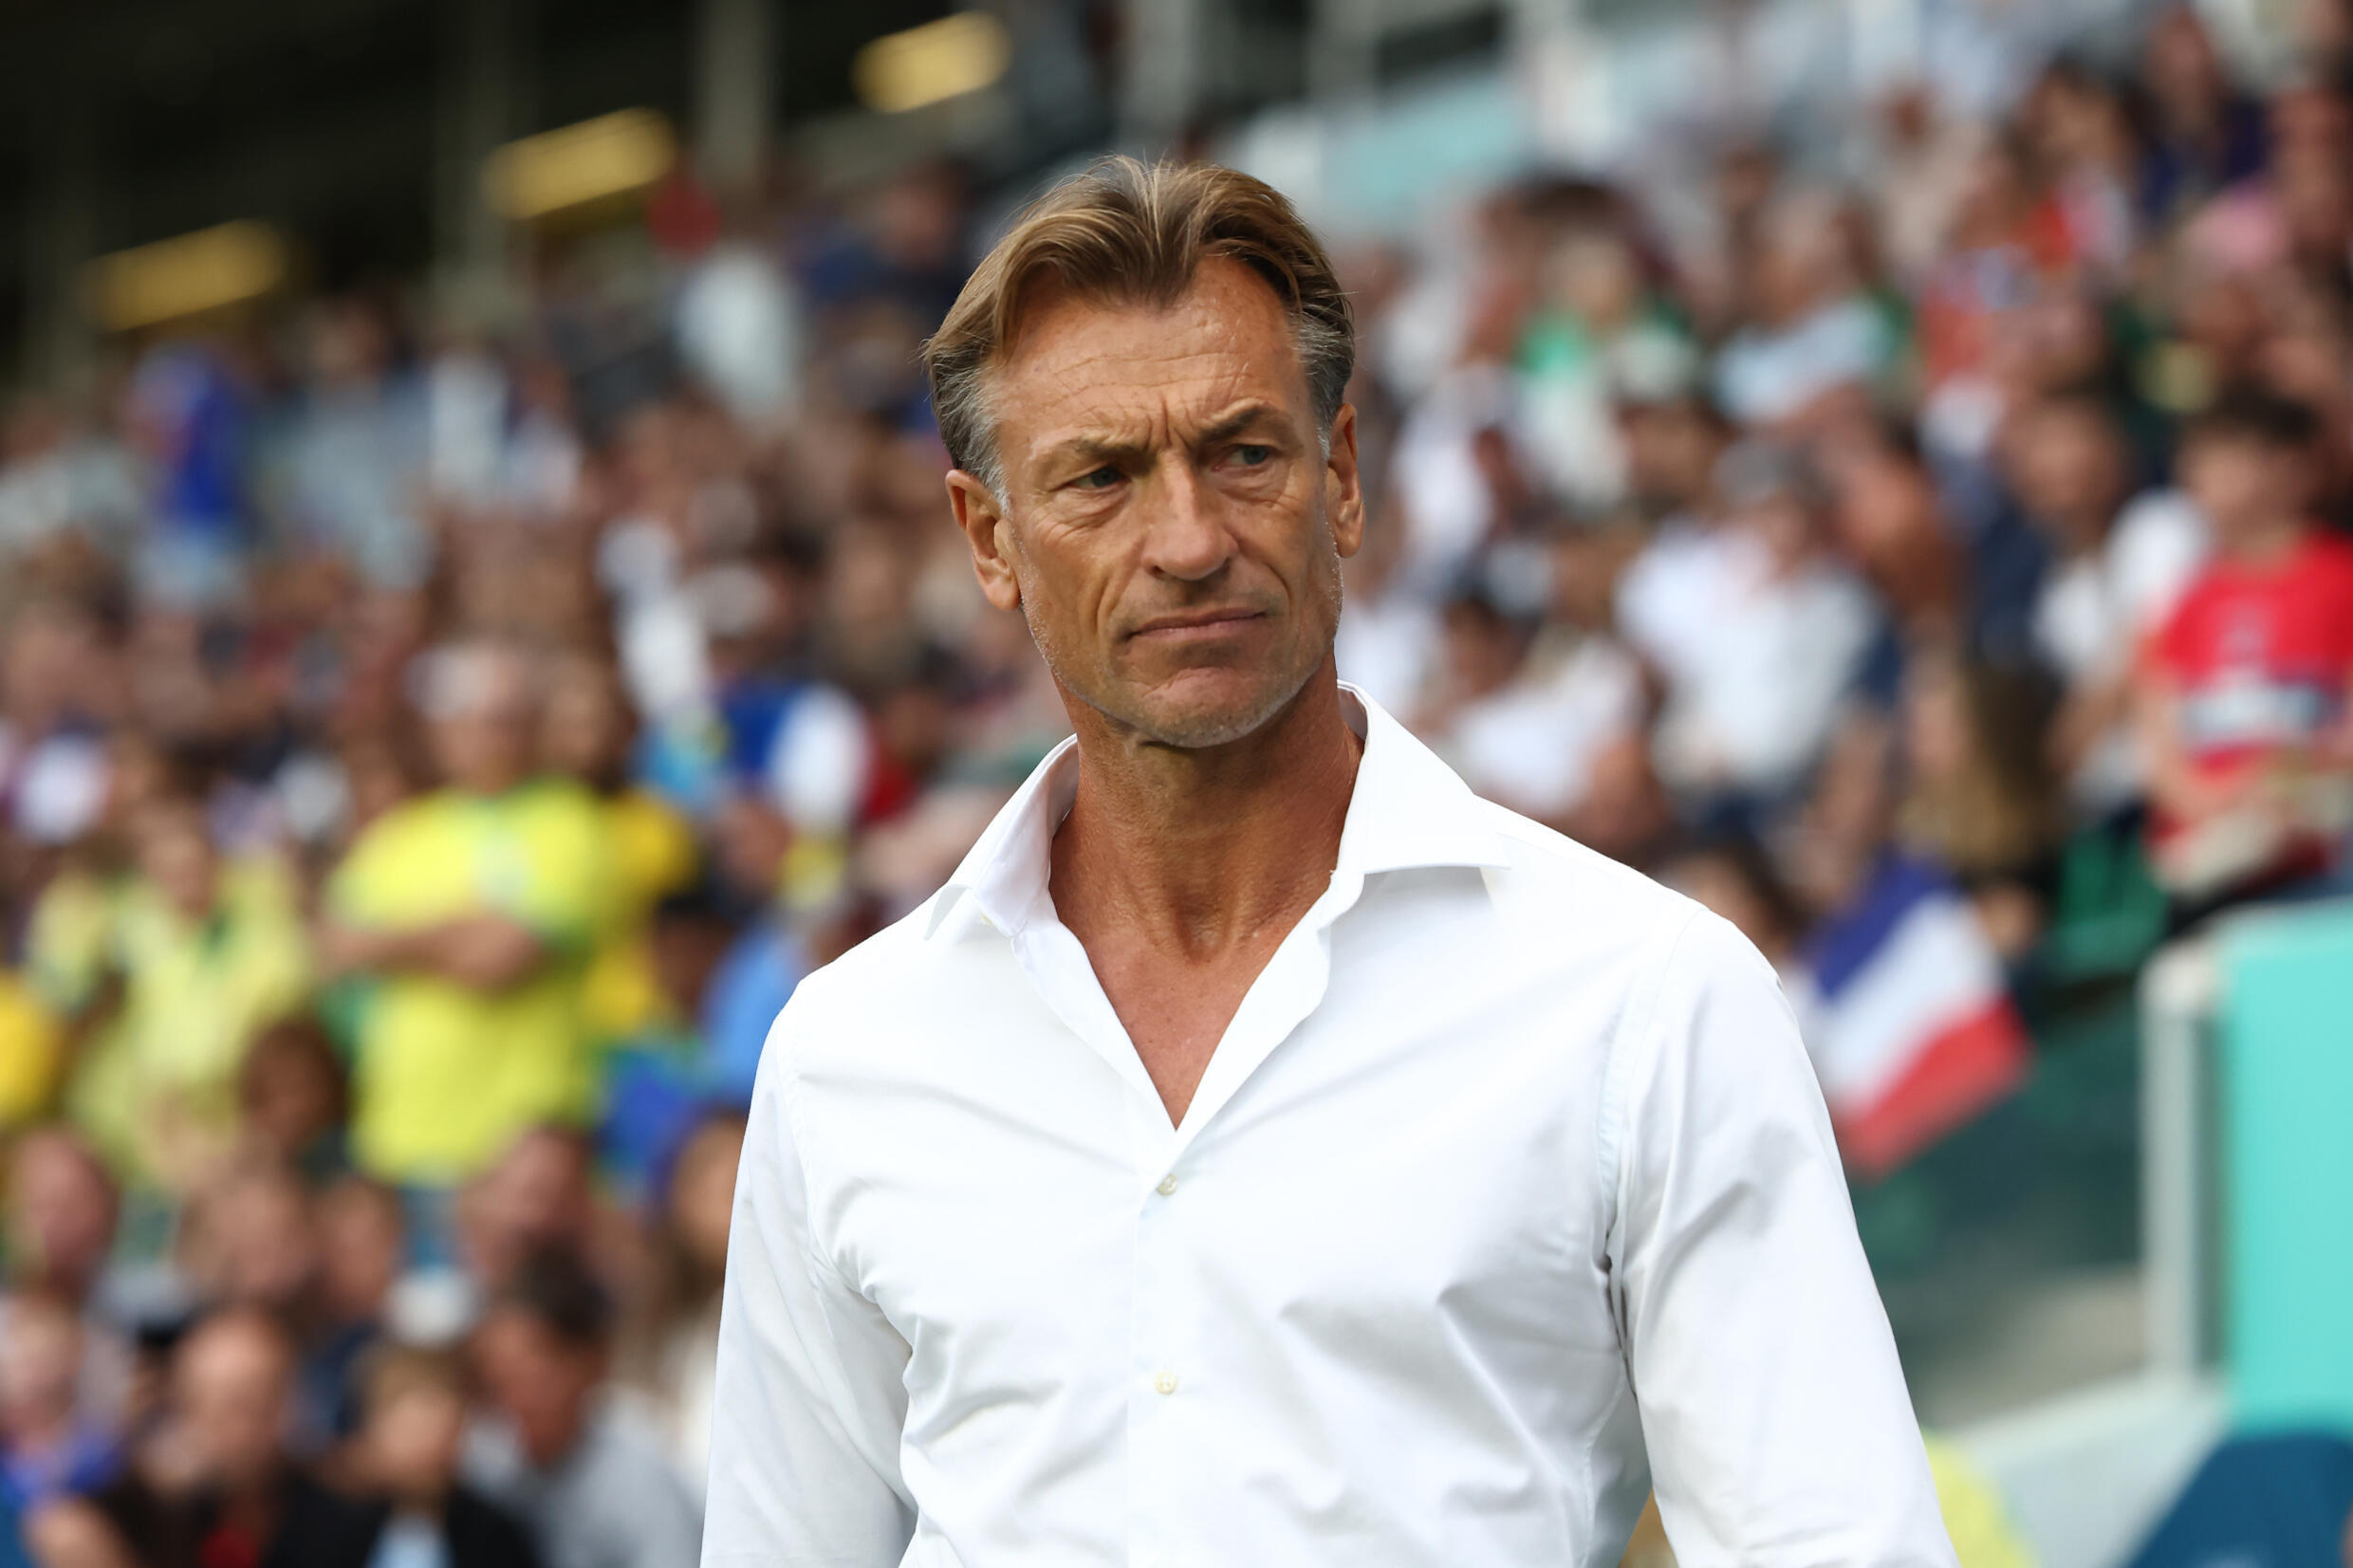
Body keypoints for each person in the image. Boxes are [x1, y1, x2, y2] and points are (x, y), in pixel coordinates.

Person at [703, 157, 1952, 1566]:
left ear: (1342, 478)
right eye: (1101, 478)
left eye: (1242, 452)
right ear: (990, 541)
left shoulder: (1646, 999)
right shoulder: (848, 1060)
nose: (1187, 540)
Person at [320, 640, 613, 1192]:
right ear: (440, 729)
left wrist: (394, 943)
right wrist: (460, 930)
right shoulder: (400, 834)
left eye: (506, 720)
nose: (489, 736)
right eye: (473, 720)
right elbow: (337, 946)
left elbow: (499, 958)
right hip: (399, 1142)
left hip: (524, 1154)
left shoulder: (572, 823)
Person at [2135, 390, 2353, 907]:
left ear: (2292, 467)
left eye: (2219, 456)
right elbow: (2161, 741)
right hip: (2213, 873)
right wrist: (2216, 802)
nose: (2196, 475)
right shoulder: (2184, 601)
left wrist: (2296, 787)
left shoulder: (2340, 580)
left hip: (2323, 862)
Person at [463, 1249, 702, 1568]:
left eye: (535, 1377)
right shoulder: (481, 1465)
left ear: (591, 1363)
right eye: (499, 1383)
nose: (518, 1398)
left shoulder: (642, 1482)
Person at [347, 1344, 544, 1568]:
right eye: (416, 1432)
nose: (431, 1449)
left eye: (446, 1432)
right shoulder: (333, 1526)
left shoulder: (494, 1535)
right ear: (375, 1430)